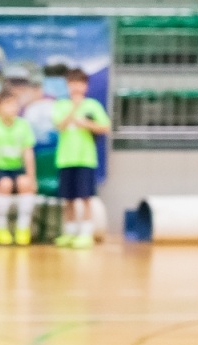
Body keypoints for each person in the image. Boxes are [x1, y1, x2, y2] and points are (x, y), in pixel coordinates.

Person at [51, 69, 111, 249]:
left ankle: (85, 234)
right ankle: (69, 233)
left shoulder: (92, 105)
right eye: (73, 83)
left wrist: (87, 124)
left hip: (85, 159)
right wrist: (74, 109)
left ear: (86, 86)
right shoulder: (61, 105)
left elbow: (105, 127)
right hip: (65, 159)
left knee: (85, 197)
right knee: (68, 199)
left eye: (80, 83)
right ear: (67, 85)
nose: (76, 87)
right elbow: (59, 125)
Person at [0, 92, 37, 246]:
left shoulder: (23, 125)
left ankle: (23, 228)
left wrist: (32, 178)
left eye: (16, 104)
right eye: (9, 104)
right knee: (5, 184)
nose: (13, 108)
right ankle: (0, 227)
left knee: (25, 183)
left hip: (16, 168)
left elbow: (28, 154)